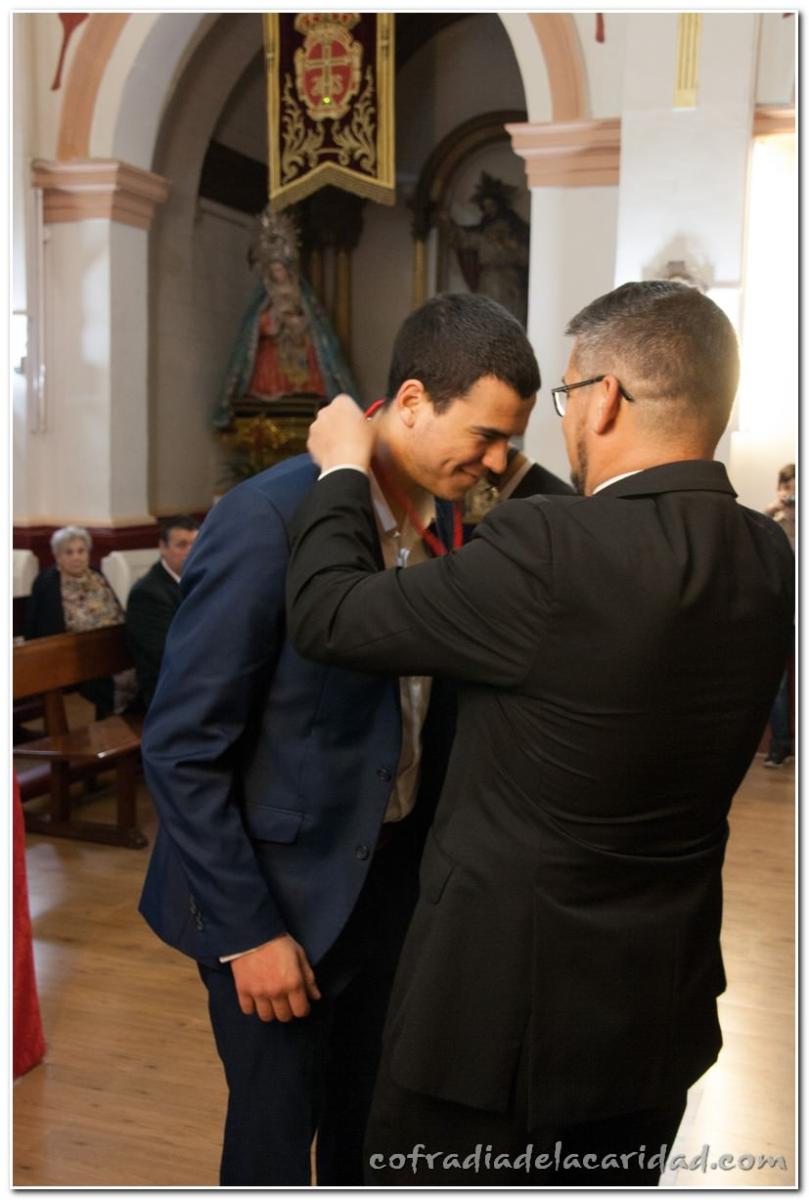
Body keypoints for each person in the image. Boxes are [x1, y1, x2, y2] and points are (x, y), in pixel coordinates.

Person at [285, 280, 794, 1187]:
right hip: (655, 1012)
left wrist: (341, 470)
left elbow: (330, 614)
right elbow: (625, 558)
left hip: (498, 1028)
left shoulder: (547, 552)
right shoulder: (765, 554)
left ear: (604, 399)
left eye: (564, 395)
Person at [138, 293, 572, 1187]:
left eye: (510, 441)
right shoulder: (269, 518)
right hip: (278, 901)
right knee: (271, 1144)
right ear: (410, 401)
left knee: (371, 1129)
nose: (497, 462)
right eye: (486, 436)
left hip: (390, 889)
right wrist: (248, 933)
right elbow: (181, 745)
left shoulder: (448, 514)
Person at [213, 206, 357, 430]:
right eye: (274, 270)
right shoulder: (265, 295)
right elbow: (254, 324)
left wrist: (298, 321)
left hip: (298, 337)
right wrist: (270, 321)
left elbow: (313, 322)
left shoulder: (300, 292)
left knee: (308, 353)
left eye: (280, 269)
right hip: (274, 341)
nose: (278, 273)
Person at [25, 525, 124, 719]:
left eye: (81, 551)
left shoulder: (96, 575)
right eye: (69, 552)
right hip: (72, 656)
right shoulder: (47, 583)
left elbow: (117, 612)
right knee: (104, 680)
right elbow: (41, 630)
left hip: (109, 648)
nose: (76, 557)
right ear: (57, 556)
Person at [124, 515, 199, 710]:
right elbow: (167, 654)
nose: (191, 551)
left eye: (195, 544)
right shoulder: (147, 593)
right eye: (182, 545)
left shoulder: (201, 580)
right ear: (163, 547)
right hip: (167, 691)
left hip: (197, 677)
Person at [763, 463, 795, 766]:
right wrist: (772, 511)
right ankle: (780, 744)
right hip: (782, 617)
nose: (792, 496)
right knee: (777, 684)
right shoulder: (771, 526)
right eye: (787, 489)